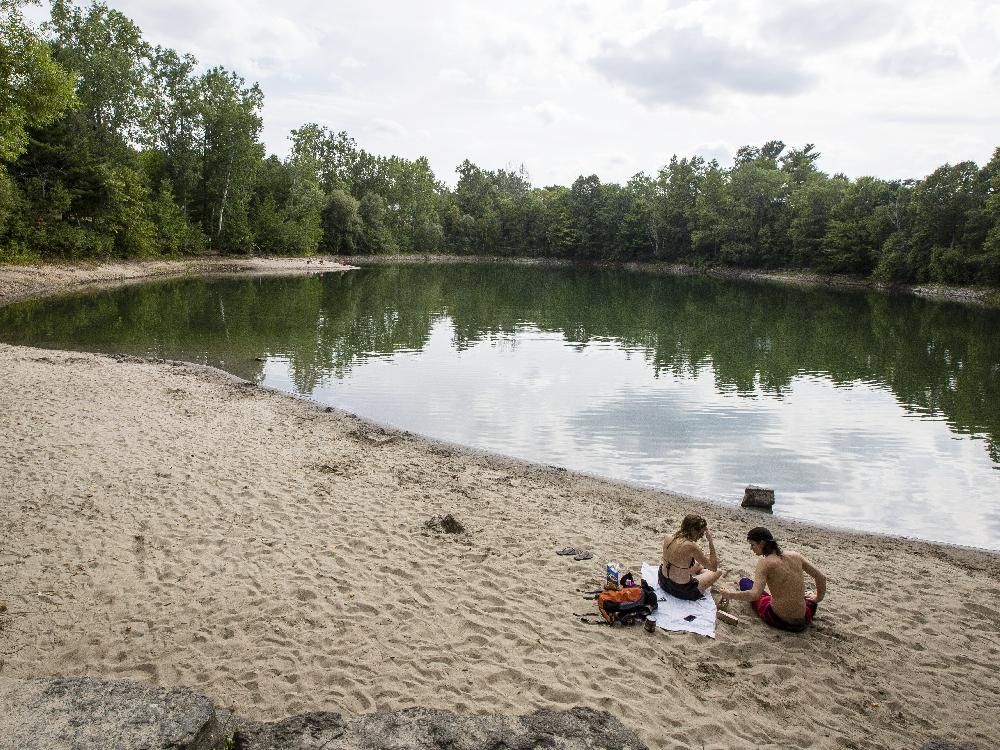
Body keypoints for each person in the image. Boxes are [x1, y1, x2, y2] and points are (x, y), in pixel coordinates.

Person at [719, 527, 826, 632]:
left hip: (780, 619)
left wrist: (729, 595)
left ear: (761, 543)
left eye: (752, 544)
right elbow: (821, 577)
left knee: (745, 582)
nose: (751, 548)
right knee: (808, 599)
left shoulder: (765, 563)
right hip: (803, 620)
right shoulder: (795, 555)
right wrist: (817, 598)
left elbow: (754, 595)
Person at [658, 513, 722, 600]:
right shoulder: (691, 547)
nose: (702, 536)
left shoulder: (668, 537)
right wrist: (710, 541)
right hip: (680, 589)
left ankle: (701, 571)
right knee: (718, 571)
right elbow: (713, 567)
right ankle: (702, 572)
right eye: (701, 533)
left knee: (698, 564)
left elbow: (680, 558)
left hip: (663, 580)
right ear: (693, 530)